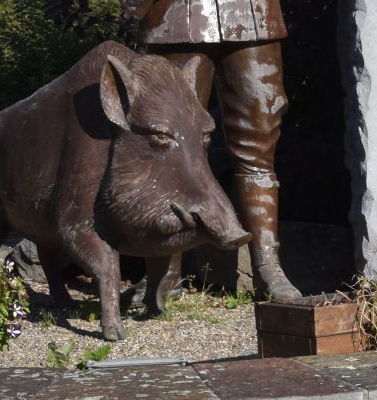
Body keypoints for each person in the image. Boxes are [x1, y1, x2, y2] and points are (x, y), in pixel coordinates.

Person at [126, 0, 302, 301]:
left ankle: (267, 265)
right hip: (174, 15)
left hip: (254, 15)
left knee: (259, 138)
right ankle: (164, 273)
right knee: (171, 144)